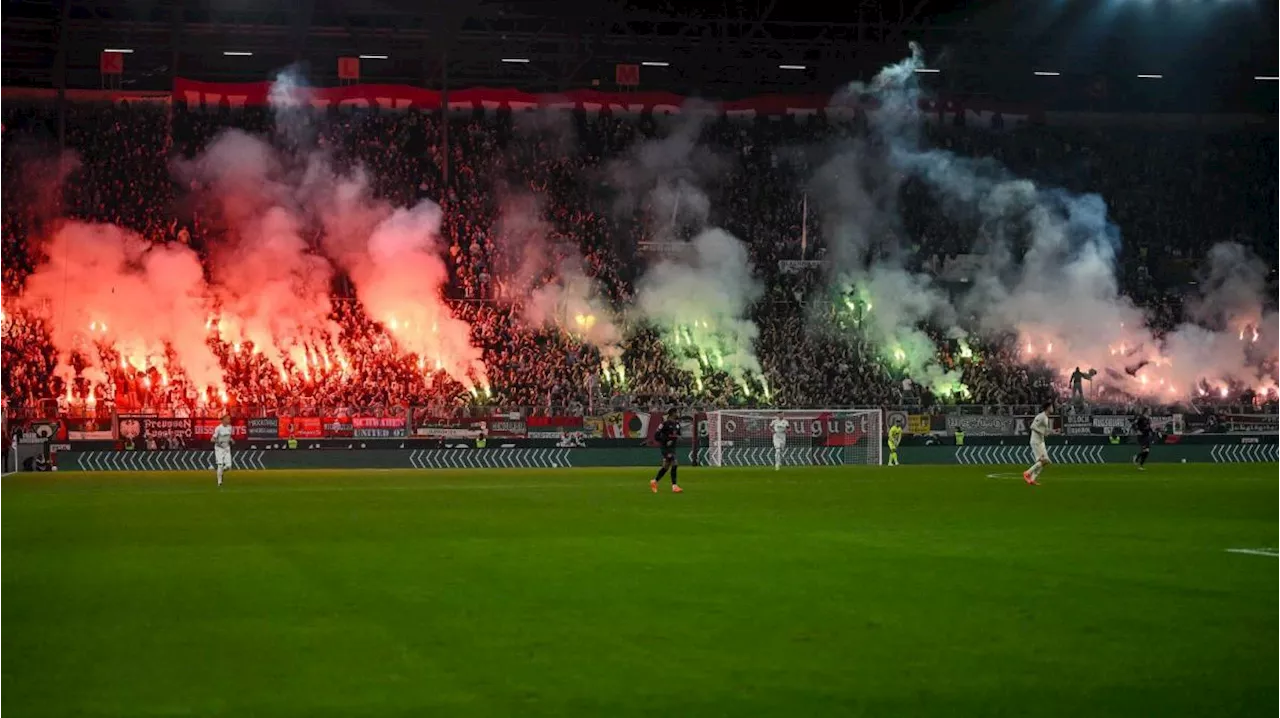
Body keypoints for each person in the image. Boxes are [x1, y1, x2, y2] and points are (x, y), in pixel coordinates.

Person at [650, 410, 683, 494]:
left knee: (666, 467)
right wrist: (665, 441)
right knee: (675, 463)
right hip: (665, 448)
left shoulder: (677, 424)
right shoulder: (664, 424)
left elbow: (677, 434)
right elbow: (656, 436)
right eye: (677, 412)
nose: (678, 414)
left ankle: (654, 481)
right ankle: (674, 486)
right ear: (672, 414)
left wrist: (678, 437)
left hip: (672, 448)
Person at [1023, 401, 1054, 486]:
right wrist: (1042, 432)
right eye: (1051, 407)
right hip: (1036, 441)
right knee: (1043, 460)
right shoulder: (1041, 416)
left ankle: (1032, 479)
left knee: (1046, 460)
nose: (1053, 408)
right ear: (1048, 408)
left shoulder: (1046, 418)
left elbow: (1045, 432)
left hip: (1041, 442)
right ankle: (1027, 473)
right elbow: (1032, 426)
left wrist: (1053, 432)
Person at [211, 414, 234, 487]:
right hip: (219, 449)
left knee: (228, 466)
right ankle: (219, 482)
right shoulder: (218, 428)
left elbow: (229, 436)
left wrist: (231, 440)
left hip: (227, 448)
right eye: (228, 419)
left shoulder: (230, 427)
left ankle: (220, 472)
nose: (229, 420)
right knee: (220, 465)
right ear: (223, 420)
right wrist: (218, 443)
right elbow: (212, 439)